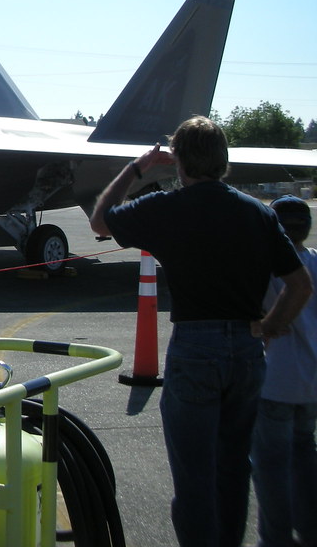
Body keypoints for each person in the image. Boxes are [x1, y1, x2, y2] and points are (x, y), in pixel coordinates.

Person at [89, 115, 311, 547]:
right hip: (247, 353)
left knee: (194, 478)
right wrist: (269, 327)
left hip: (194, 347)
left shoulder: (166, 208)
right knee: (232, 471)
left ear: (180, 162)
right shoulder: (257, 213)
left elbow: (101, 221)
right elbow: (300, 285)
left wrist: (138, 169)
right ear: (223, 160)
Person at [251, 195, 317, 547]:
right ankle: (310, 532)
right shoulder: (315, 263)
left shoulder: (264, 266)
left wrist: (263, 327)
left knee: (271, 466)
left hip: (273, 381)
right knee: (305, 457)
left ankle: (275, 538)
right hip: (310, 382)